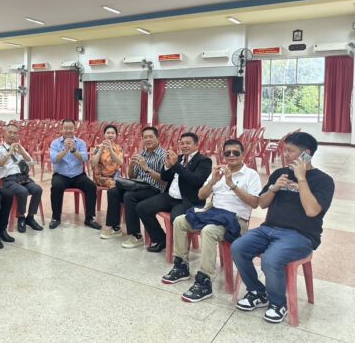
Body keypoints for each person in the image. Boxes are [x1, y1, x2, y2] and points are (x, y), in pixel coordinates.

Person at [231, 132, 334, 324]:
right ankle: (257, 291)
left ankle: (278, 303)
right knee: (238, 247)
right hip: (268, 229)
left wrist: (301, 179)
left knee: (271, 259)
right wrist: (274, 188)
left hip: (300, 236)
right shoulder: (280, 174)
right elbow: (262, 204)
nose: (285, 155)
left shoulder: (323, 180)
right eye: (284, 150)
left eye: (290, 151)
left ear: (306, 153)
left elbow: (312, 211)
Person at [162, 139, 261, 302]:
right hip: (214, 213)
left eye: (236, 152)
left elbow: (255, 203)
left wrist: (231, 184)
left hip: (236, 220)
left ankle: (204, 280)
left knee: (208, 231)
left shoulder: (251, 175)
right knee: (179, 221)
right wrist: (213, 181)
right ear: (223, 155)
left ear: (243, 154)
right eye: (227, 153)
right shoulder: (218, 172)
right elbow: (201, 195)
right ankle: (181, 265)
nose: (231, 156)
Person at [137, 132, 212, 252]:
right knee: (142, 208)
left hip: (186, 200)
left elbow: (196, 181)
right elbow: (164, 178)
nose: (184, 146)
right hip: (169, 196)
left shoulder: (204, 161)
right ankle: (161, 240)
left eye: (188, 143)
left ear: (196, 145)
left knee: (176, 219)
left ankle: (179, 251)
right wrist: (167, 166)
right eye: (182, 143)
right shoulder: (179, 158)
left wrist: (176, 165)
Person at [100, 126, 166, 248]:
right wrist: (131, 165)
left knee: (129, 196)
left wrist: (147, 168)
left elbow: (164, 181)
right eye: (145, 137)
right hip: (138, 185)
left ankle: (136, 236)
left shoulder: (163, 155)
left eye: (150, 137)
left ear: (157, 138)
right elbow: (132, 176)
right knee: (113, 192)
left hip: (155, 189)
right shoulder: (142, 153)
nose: (148, 139)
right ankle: (115, 228)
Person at [49, 119, 101, 230]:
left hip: (78, 176)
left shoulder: (81, 143)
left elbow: (85, 158)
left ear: (74, 129)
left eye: (70, 128)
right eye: (66, 128)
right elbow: (54, 159)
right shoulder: (55, 143)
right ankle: (56, 218)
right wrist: (65, 150)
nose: (68, 130)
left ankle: (89, 218)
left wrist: (73, 150)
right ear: (62, 129)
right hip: (61, 175)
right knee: (56, 186)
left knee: (91, 186)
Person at [0, 124, 44, 233]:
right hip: (8, 180)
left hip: (23, 178)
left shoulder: (20, 148)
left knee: (37, 189)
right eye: (10, 132)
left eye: (15, 133)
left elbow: (31, 163)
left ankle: (30, 217)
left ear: (17, 135)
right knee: (22, 191)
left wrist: (23, 153)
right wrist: (8, 153)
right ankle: (21, 217)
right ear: (4, 134)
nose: (12, 135)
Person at [91, 125, 123, 189]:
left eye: (113, 133)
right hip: (101, 177)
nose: (110, 135)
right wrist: (101, 150)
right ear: (104, 135)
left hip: (115, 176)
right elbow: (93, 163)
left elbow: (120, 162)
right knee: (116, 185)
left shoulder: (118, 148)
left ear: (116, 135)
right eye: (108, 133)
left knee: (125, 185)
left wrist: (111, 150)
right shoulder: (98, 147)